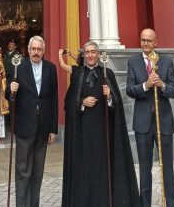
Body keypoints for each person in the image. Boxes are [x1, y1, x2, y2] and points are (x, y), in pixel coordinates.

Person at [60, 41, 140, 206]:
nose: (90, 55)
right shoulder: (77, 75)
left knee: (103, 169)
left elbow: (117, 104)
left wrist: (110, 96)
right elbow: (68, 103)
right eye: (87, 52)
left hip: (104, 134)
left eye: (93, 52)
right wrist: (82, 101)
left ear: (98, 54)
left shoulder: (107, 73)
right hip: (83, 134)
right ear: (84, 55)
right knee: (87, 170)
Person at [126, 28, 174, 207]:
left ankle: (171, 203)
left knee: (167, 167)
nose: (146, 43)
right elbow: (130, 90)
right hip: (143, 124)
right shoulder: (133, 62)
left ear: (156, 42)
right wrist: (145, 85)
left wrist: (162, 84)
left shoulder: (166, 61)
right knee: (144, 168)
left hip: (163, 122)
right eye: (143, 40)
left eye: (149, 40)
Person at [6, 35, 58, 207]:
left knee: (37, 171)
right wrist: (10, 91)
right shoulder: (18, 66)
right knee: (23, 170)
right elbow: (9, 94)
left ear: (44, 51)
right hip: (24, 125)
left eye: (39, 49)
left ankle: (33, 204)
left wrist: (53, 129)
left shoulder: (51, 68)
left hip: (43, 127)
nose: (36, 52)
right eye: (33, 49)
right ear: (28, 50)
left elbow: (53, 99)